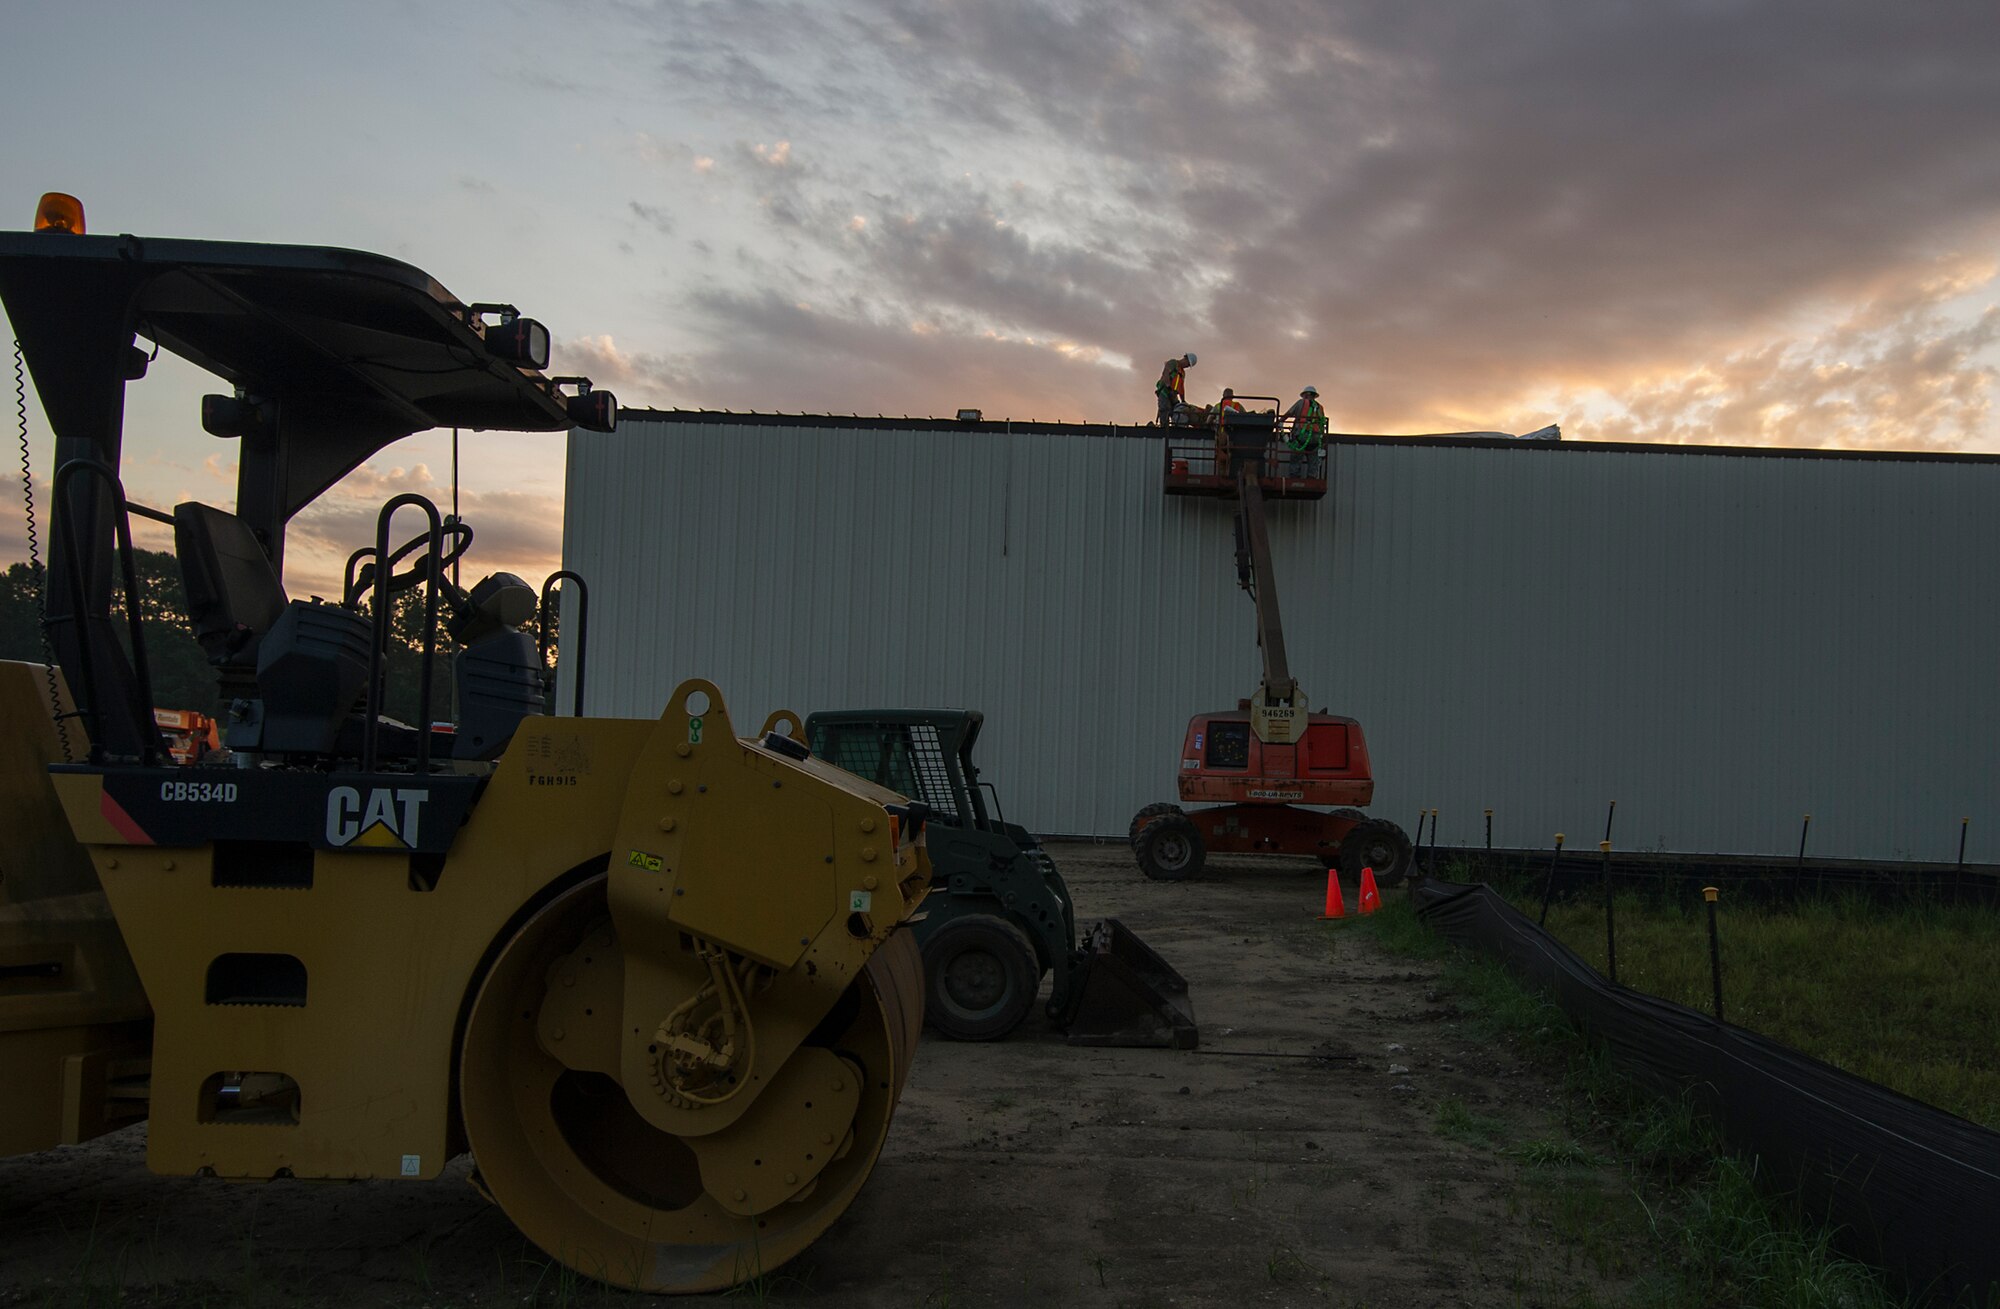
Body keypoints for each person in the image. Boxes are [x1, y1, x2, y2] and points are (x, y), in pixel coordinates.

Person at [1283, 384, 1327, 472]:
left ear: (1305, 394)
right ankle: (1312, 480)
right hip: (1316, 439)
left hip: (1302, 436)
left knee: (1295, 461)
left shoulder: (1301, 403)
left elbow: (1289, 413)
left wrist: (1279, 422)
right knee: (1313, 463)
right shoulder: (1320, 407)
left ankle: (1294, 479)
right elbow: (1322, 423)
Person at [1155, 352, 1196, 425]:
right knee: (1165, 408)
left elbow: (1181, 387)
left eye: (1189, 366)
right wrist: (1168, 386)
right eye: (1187, 363)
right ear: (1185, 358)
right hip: (1165, 392)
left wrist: (1183, 400)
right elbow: (1166, 374)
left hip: (1173, 394)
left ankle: (1176, 426)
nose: (1187, 366)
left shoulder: (1182, 373)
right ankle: (1164, 428)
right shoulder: (1173, 363)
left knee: (1178, 409)